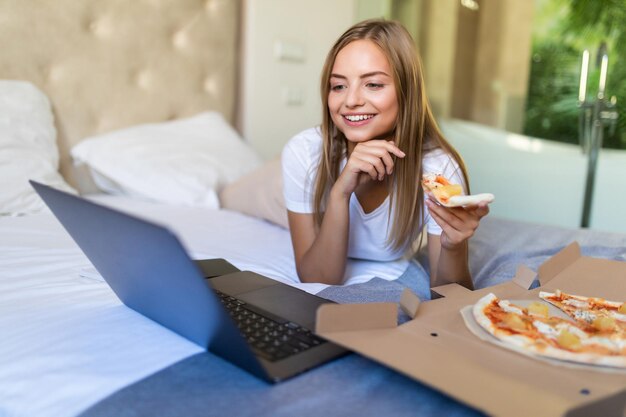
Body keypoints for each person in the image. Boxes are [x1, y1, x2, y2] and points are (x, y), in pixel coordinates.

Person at [281, 19, 489, 289]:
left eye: (373, 85)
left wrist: (454, 246)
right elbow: (317, 278)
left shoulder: (438, 170)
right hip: (276, 190)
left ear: (406, 92)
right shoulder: (303, 153)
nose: (351, 100)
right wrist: (339, 194)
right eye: (339, 86)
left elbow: (448, 297)